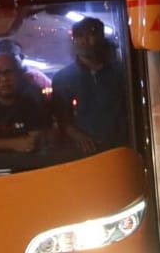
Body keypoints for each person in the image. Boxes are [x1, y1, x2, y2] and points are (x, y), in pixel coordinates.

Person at [51, 17, 125, 152]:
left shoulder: (121, 73)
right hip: (80, 152)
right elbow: (60, 118)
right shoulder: (63, 78)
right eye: (79, 36)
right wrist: (75, 135)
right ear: (74, 40)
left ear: (101, 37)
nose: (85, 40)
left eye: (91, 34)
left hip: (119, 147)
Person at [0, 53, 50, 153]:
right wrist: (15, 143)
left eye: (9, 72)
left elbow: (33, 142)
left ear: (19, 75)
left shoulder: (31, 95)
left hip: (30, 163)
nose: (4, 79)